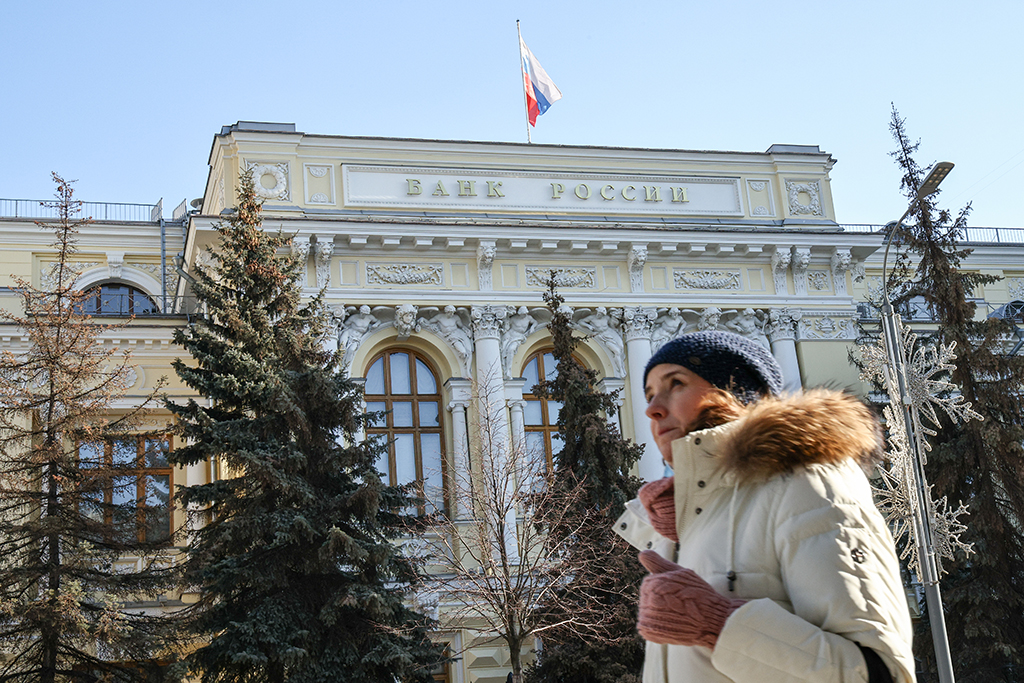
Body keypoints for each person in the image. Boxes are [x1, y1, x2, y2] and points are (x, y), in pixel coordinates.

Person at [613, 331, 914, 683]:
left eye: (675, 383)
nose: (652, 408)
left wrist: (718, 625)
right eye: (649, 395)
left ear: (735, 391)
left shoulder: (809, 483)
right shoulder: (676, 529)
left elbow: (878, 673)